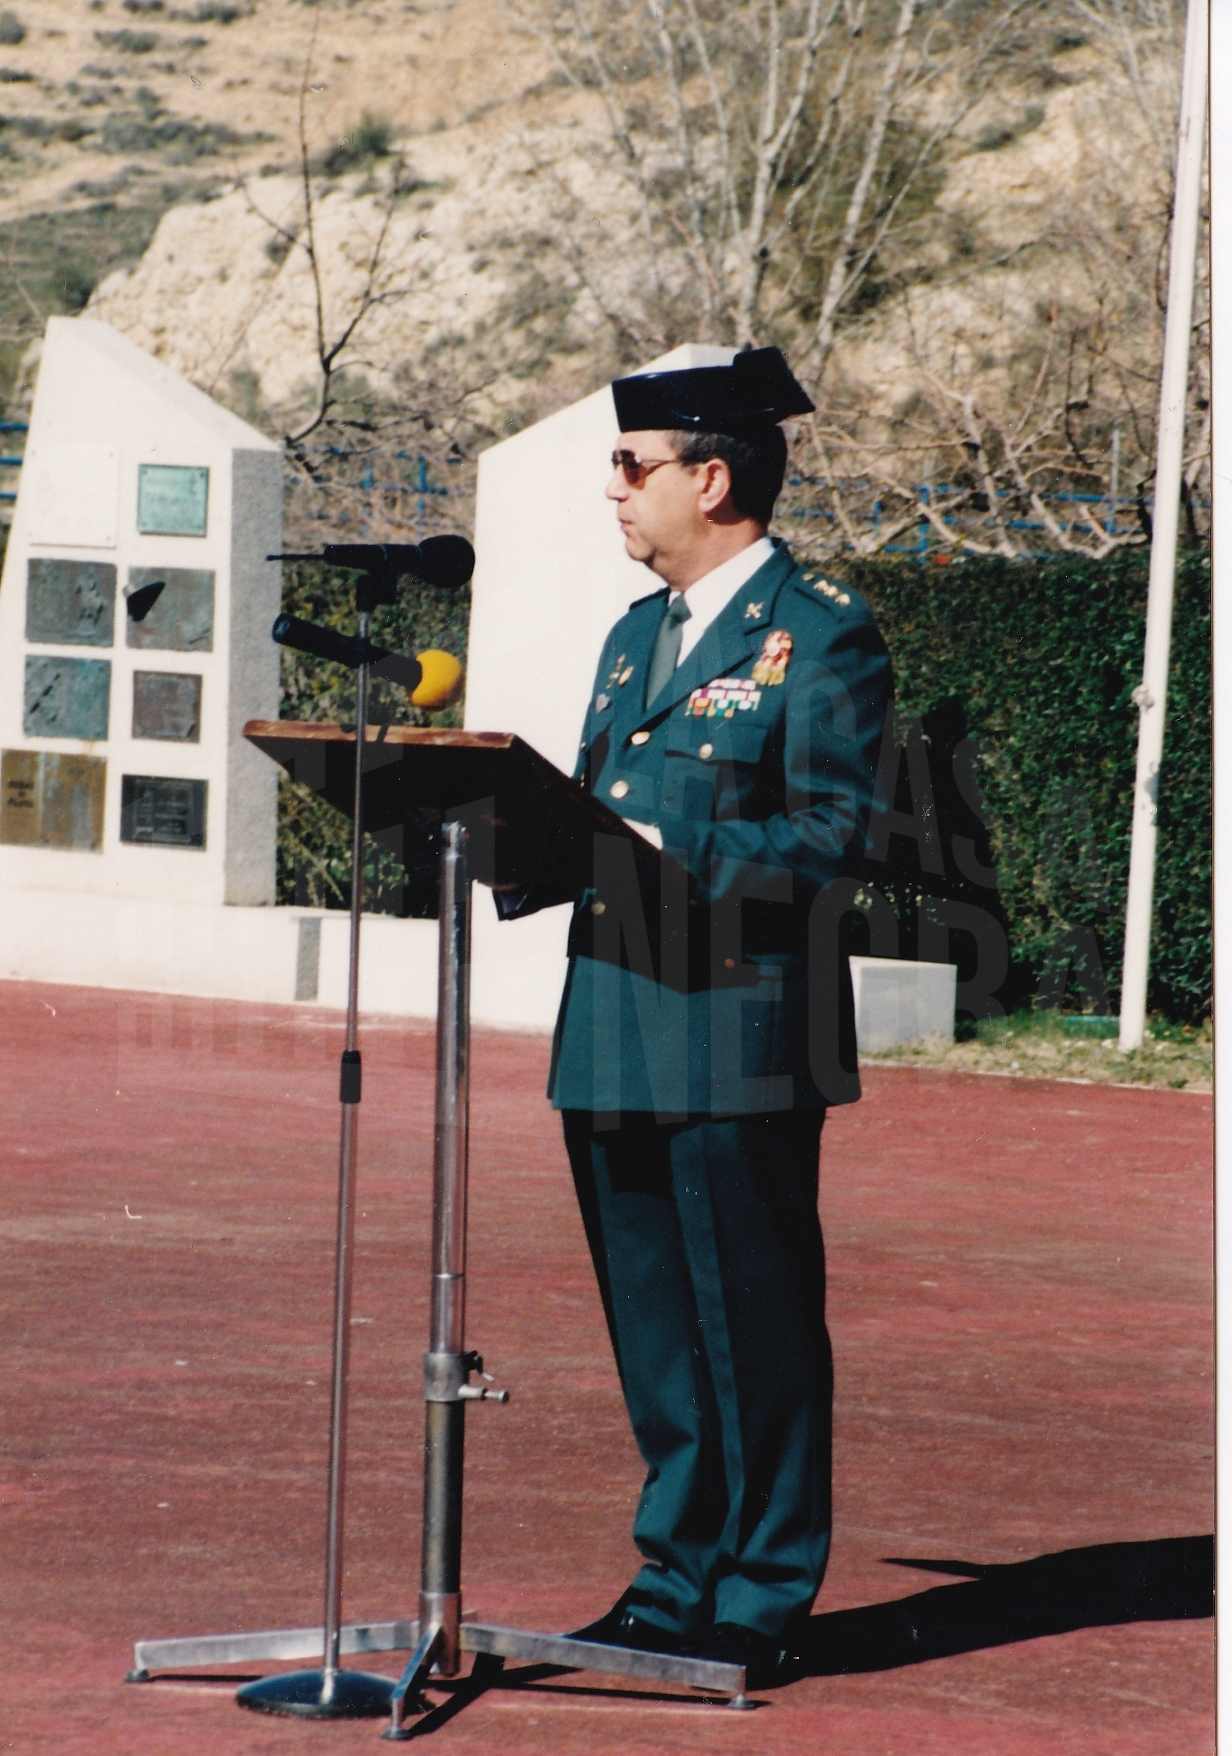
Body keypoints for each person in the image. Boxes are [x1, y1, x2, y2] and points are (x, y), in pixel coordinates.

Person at [497, 347, 892, 1686]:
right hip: (615, 1021)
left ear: (710, 479)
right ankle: (673, 1583)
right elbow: (596, 813)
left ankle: (759, 1597)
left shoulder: (819, 631)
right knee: (657, 1333)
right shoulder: (633, 638)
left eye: (631, 465)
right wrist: (508, 839)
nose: (614, 490)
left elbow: (838, 834)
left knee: (753, 1327)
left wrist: (671, 845)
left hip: (739, 1033)